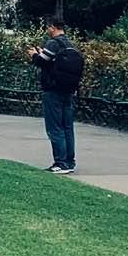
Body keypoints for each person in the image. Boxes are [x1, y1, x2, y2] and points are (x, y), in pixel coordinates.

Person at [29, 19, 84, 174]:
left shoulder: (53, 43)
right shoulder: (70, 44)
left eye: (48, 27)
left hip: (53, 90)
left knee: (54, 127)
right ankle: (70, 161)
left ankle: (60, 163)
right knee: (67, 127)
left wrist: (34, 55)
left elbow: (42, 62)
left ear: (52, 28)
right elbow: (51, 61)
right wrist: (42, 55)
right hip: (68, 89)